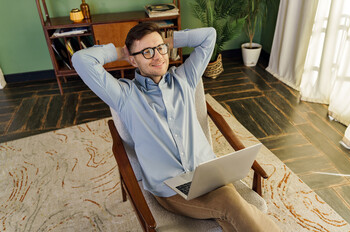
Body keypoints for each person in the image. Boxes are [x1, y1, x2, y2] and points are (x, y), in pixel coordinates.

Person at [72, 23, 281, 232]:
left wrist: (171, 40)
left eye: (160, 48)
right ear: (133, 60)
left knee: (230, 209)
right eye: (147, 52)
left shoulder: (184, 79)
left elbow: (209, 36)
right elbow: (80, 60)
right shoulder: (125, 96)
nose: (158, 56)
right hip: (171, 189)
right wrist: (120, 52)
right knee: (229, 200)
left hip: (208, 174)